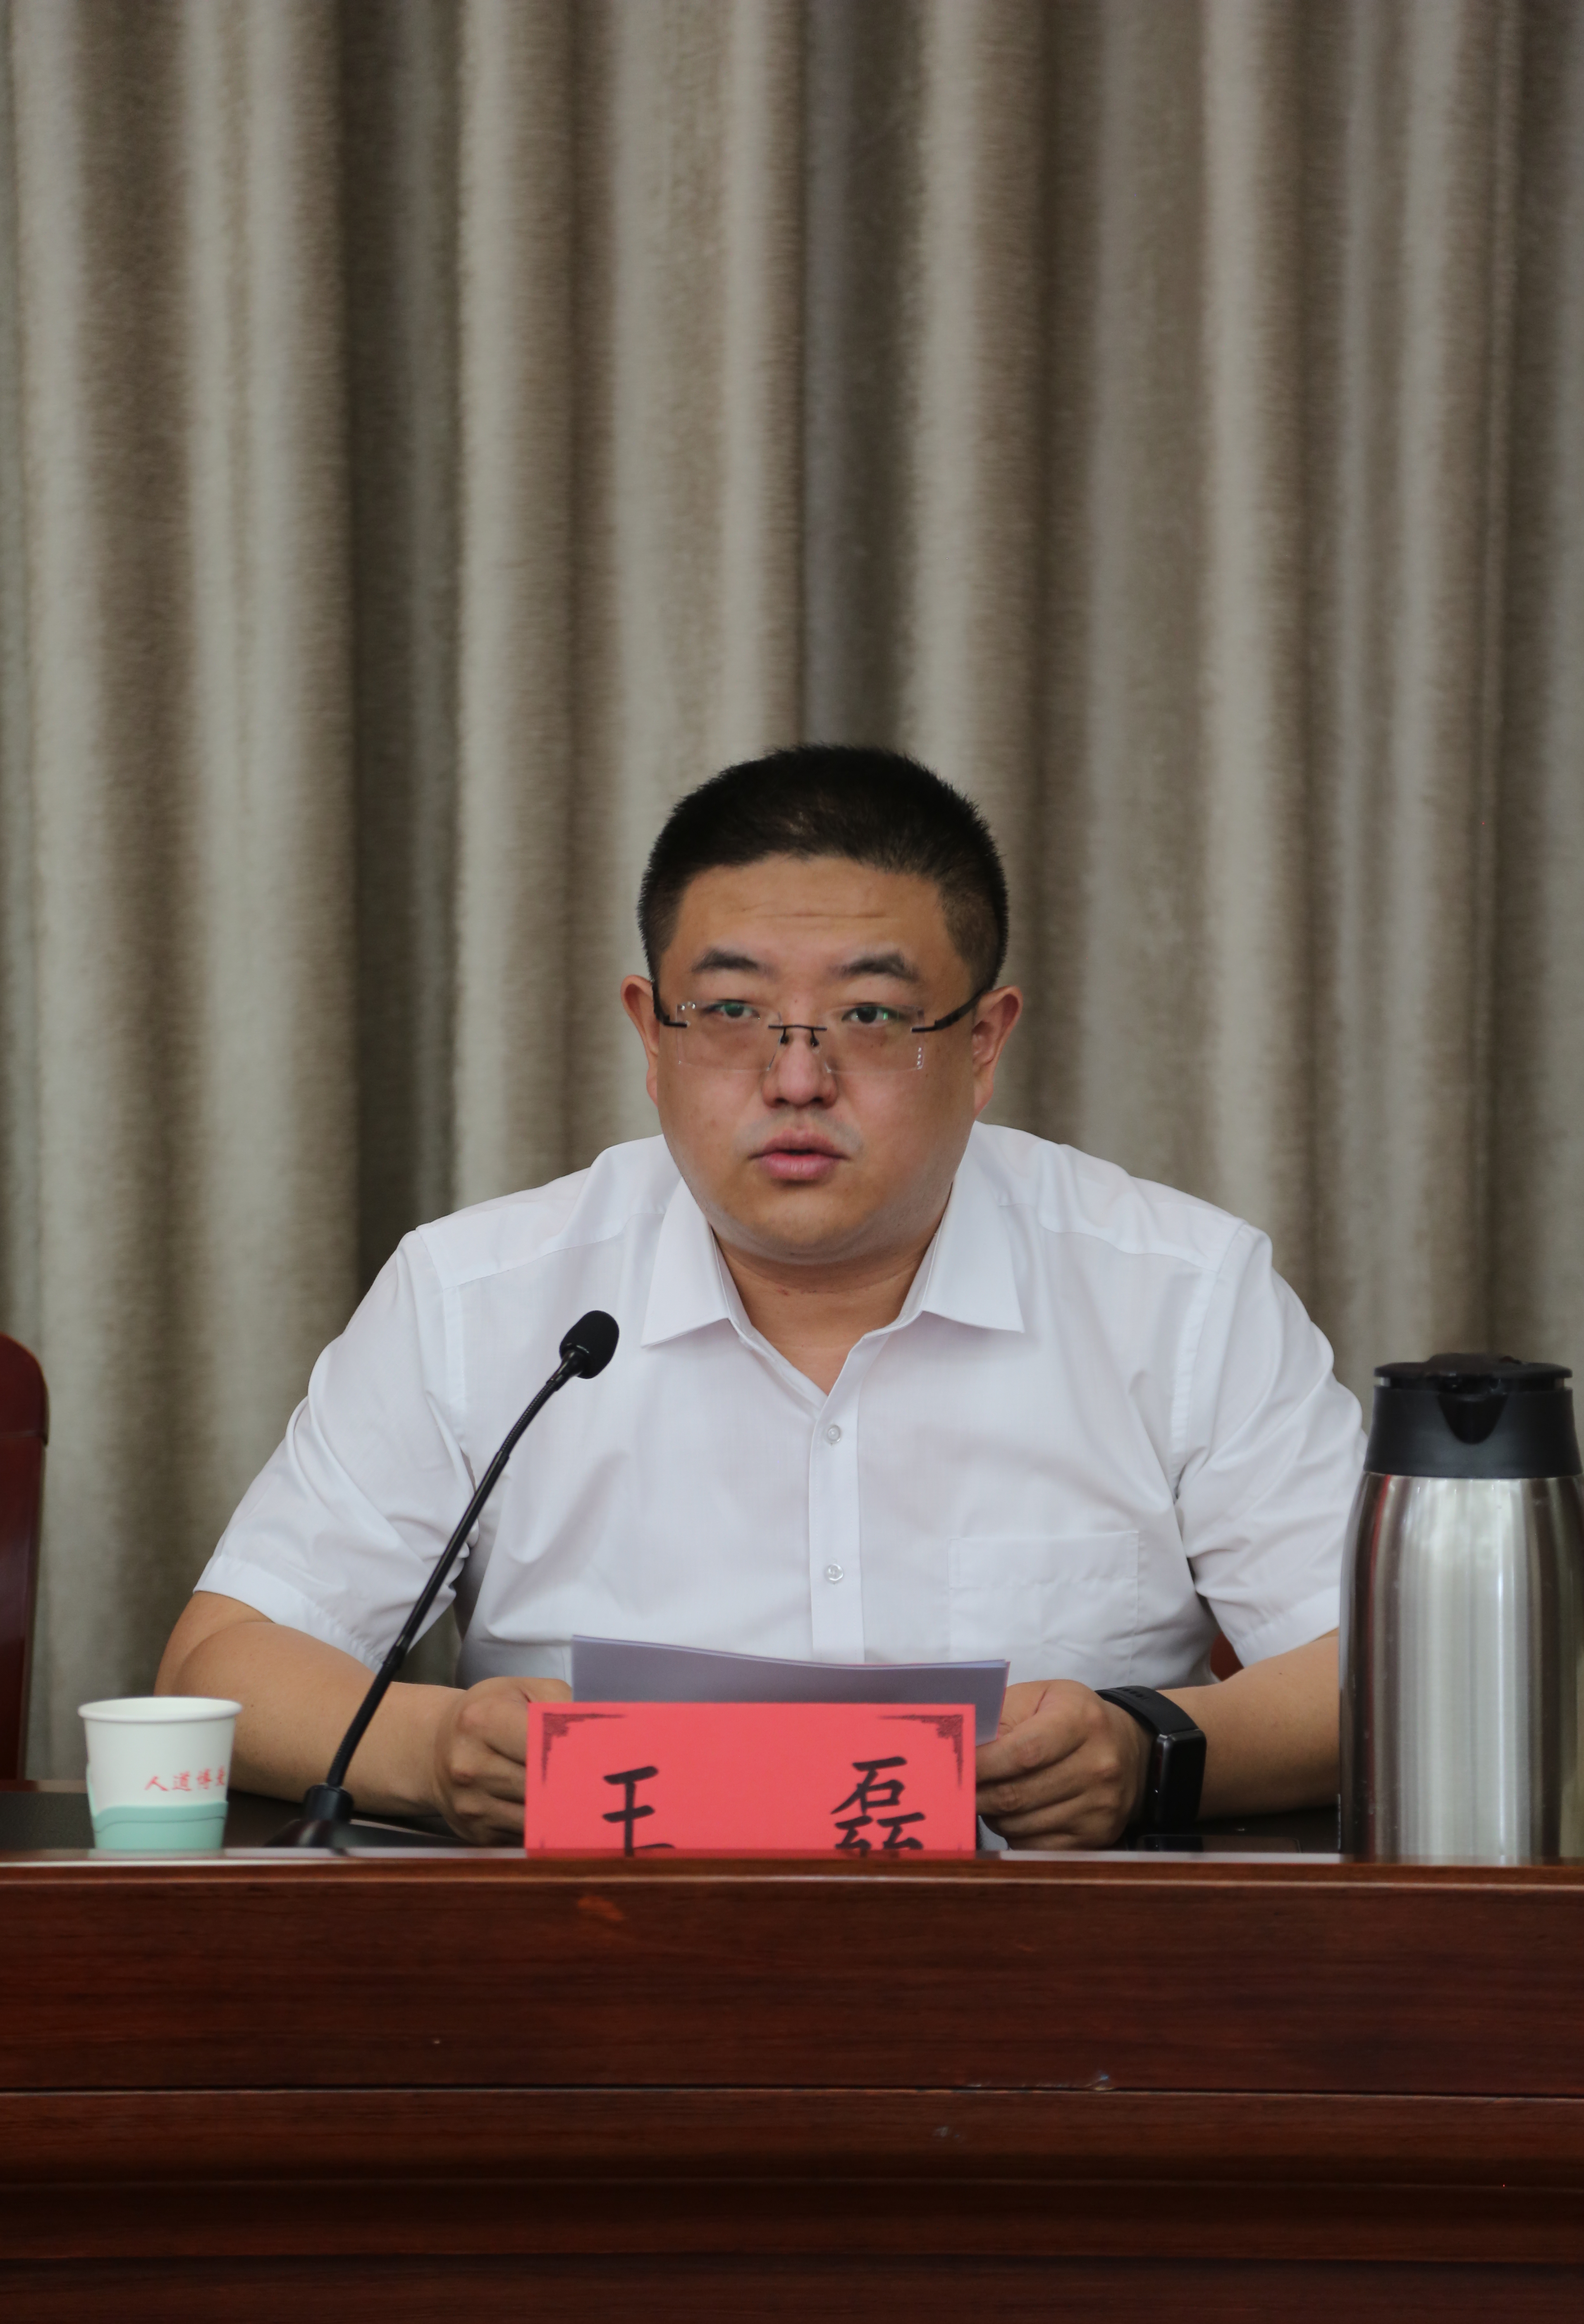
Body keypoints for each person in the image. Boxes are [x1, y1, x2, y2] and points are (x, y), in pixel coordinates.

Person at [158, 745, 1362, 1847]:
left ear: (984, 1043)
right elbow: (224, 1666)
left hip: (1057, 1977)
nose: (796, 1079)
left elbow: (1388, 1673)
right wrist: (432, 1752)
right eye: (733, 1012)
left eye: (870, 1016)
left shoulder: (1179, 1296)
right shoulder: (478, 1298)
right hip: (591, 1965)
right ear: (652, 1034)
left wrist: (1155, 1752)